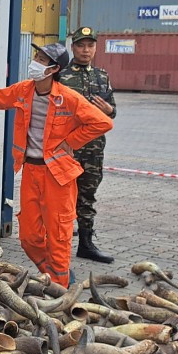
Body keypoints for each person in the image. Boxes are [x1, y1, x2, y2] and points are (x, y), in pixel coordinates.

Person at [0, 42, 112, 288]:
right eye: (37, 56)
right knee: (28, 237)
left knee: (58, 235)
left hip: (58, 176)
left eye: (41, 59)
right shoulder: (24, 91)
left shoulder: (68, 98)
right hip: (31, 170)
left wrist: (71, 141)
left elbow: (102, 122)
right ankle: (53, 273)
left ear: (53, 69)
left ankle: (59, 292)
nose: (35, 62)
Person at [60, 26, 117, 263]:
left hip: (93, 148)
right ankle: (55, 242)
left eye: (90, 45)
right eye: (81, 45)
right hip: (67, 147)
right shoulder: (60, 76)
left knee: (88, 194)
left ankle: (85, 244)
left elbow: (112, 111)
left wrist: (110, 110)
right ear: (73, 47)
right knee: (62, 196)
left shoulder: (101, 76)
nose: (86, 50)